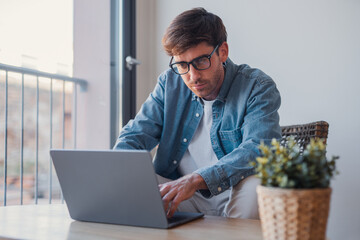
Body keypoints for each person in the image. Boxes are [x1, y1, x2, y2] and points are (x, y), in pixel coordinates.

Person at [113, 7, 281, 219]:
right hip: (180, 195)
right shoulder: (169, 83)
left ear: (223, 52)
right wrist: (115, 171)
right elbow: (136, 134)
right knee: (131, 181)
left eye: (201, 61)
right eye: (182, 64)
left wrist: (196, 179)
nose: (193, 76)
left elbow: (258, 148)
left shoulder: (257, 86)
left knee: (257, 187)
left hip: (233, 193)